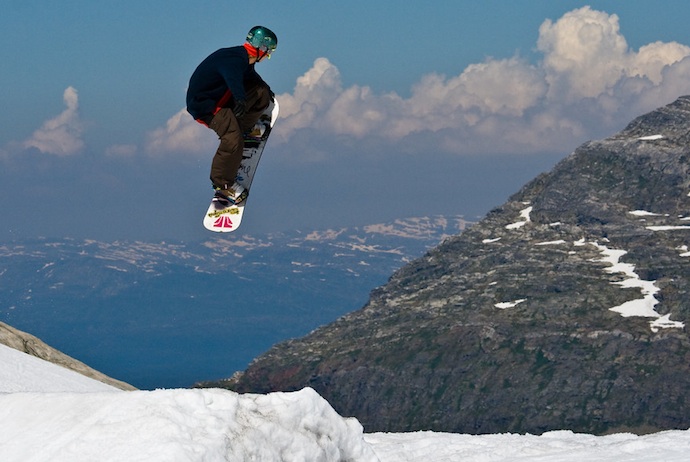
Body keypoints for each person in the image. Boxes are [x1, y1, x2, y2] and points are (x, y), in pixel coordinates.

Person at [186, 26, 277, 205]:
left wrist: (266, 91)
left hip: (222, 98)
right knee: (232, 139)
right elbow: (231, 75)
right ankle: (223, 185)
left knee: (261, 93)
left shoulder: (243, 58)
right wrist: (240, 99)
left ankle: (244, 129)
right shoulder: (234, 60)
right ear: (262, 49)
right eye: (269, 52)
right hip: (206, 107)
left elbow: (249, 77)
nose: (268, 57)